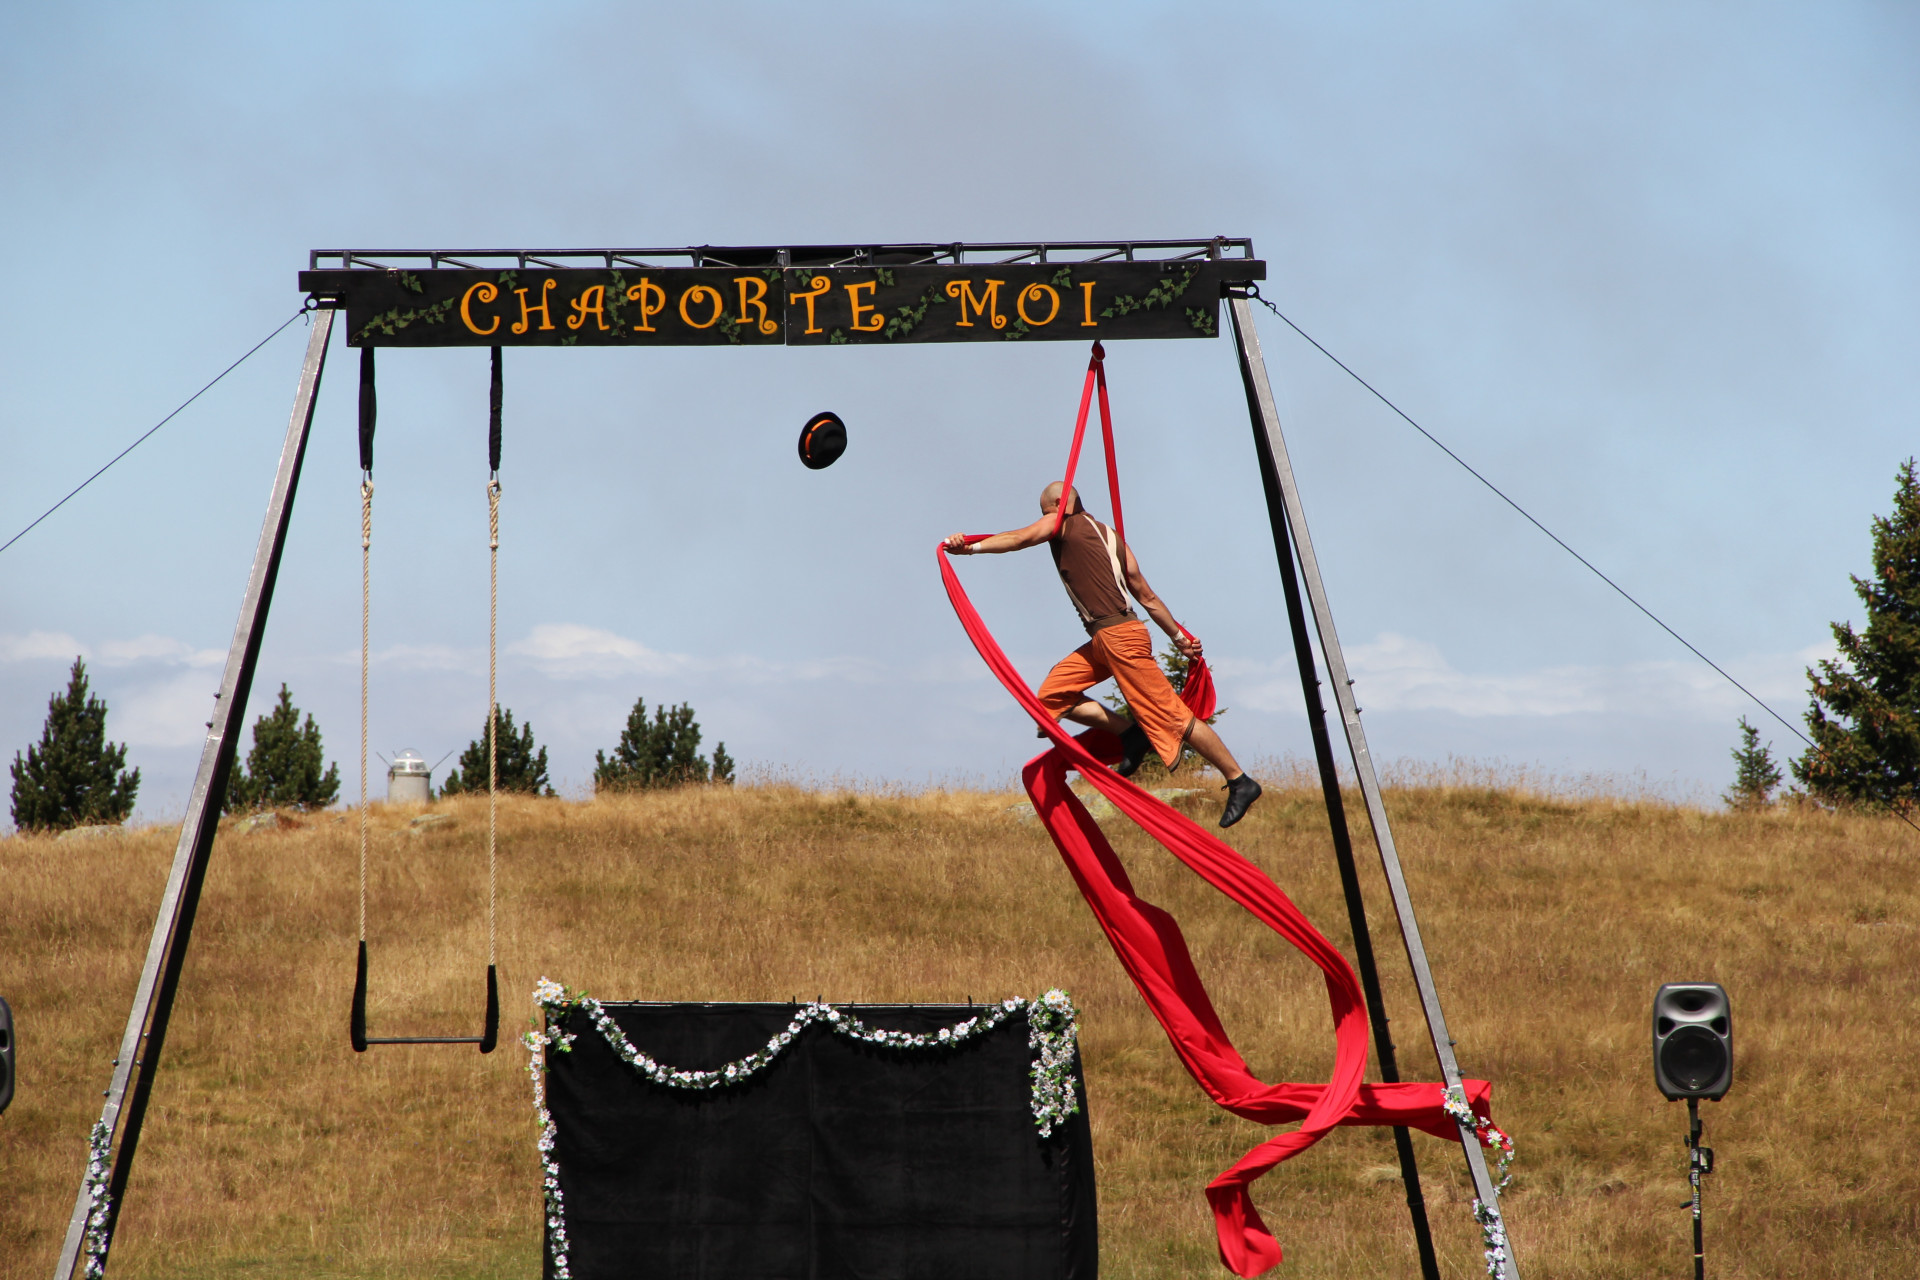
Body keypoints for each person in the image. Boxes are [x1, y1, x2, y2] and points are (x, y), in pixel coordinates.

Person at [947, 482, 1263, 828]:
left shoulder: (1061, 522)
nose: (1044, 522)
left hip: (1119, 638)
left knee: (1172, 716)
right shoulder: (1112, 538)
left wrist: (971, 548)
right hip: (1109, 637)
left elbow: (1020, 538)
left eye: (1044, 513)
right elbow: (1146, 594)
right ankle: (1130, 735)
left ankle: (1239, 780)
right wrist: (1178, 636)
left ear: (1058, 505)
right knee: (1052, 695)